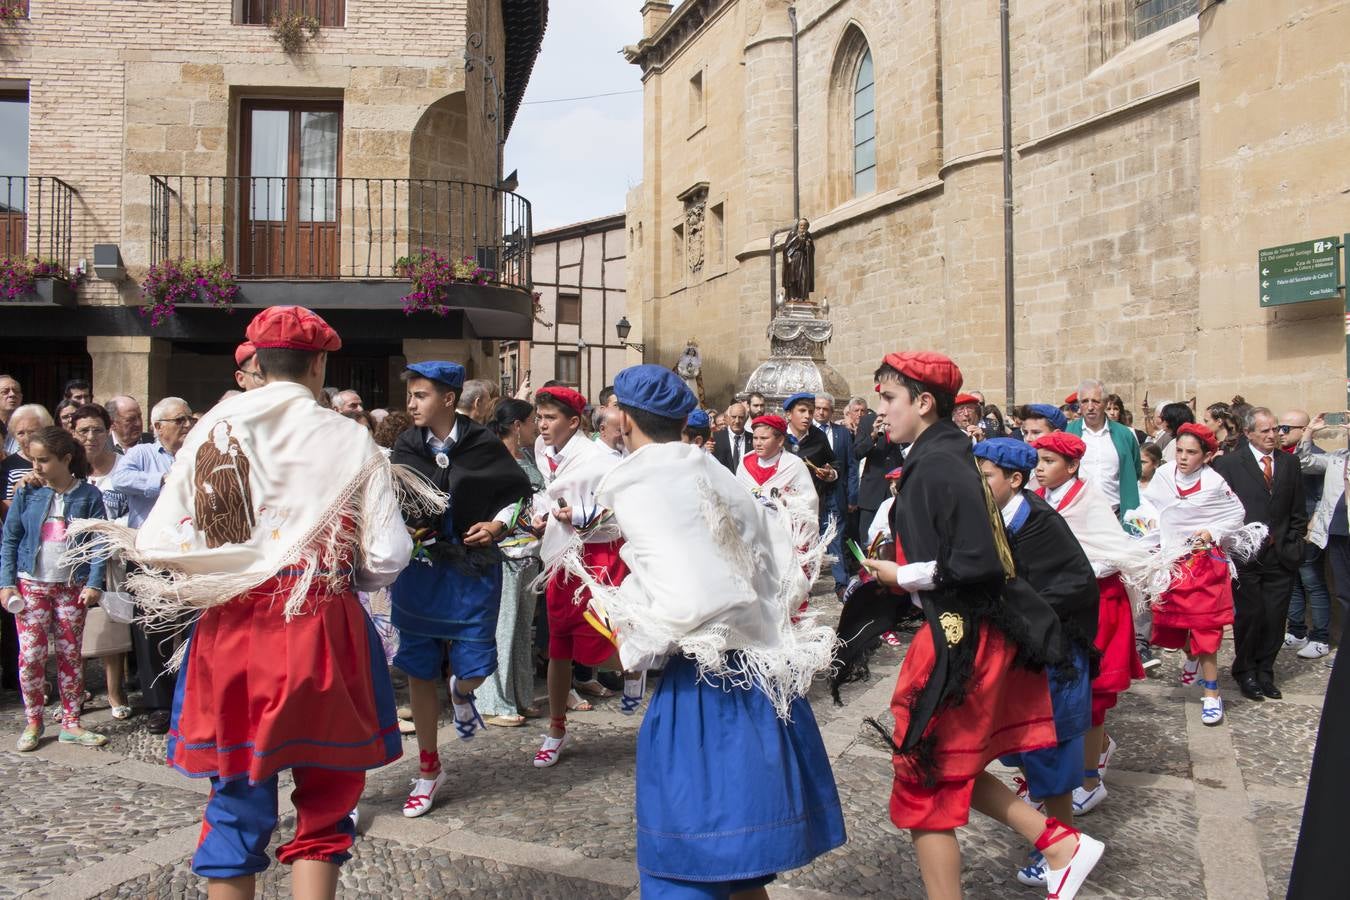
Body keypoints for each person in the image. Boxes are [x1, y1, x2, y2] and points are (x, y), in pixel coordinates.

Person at [70, 305, 411, 898]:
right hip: (319, 622)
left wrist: (231, 564)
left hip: (231, 626)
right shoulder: (346, 436)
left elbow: (159, 541)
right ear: (319, 363)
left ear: (255, 361)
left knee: (234, 796)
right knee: (327, 801)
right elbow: (385, 557)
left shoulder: (211, 429)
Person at [562, 363, 845, 898]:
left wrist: (629, 627)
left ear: (623, 417)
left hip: (702, 686)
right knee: (736, 865)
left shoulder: (642, 483)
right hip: (756, 676)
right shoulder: (714, 470)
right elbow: (776, 563)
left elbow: (682, 600)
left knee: (687, 856)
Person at [838, 352, 1103, 900]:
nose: (878, 412)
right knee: (934, 769)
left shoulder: (938, 463)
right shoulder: (941, 455)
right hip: (960, 630)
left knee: (925, 772)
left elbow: (981, 561)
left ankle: (1061, 844)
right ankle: (1058, 843)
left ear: (924, 402)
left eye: (888, 400)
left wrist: (900, 572)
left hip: (963, 638)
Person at [388, 361, 532, 817]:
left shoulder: (482, 442)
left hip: (471, 571)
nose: (411, 403)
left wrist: (495, 524)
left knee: (477, 665)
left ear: (448, 399)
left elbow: (517, 494)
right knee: (417, 668)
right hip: (422, 573)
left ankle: (464, 692)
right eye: (410, 395)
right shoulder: (405, 445)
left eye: (421, 395)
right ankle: (429, 768)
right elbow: (391, 501)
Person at [974, 437, 1100, 888]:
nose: (978, 483)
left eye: (986, 476)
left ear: (1014, 479)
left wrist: (1020, 615)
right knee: (1024, 745)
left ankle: (1062, 842)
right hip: (1021, 651)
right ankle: (1051, 830)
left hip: (1054, 652)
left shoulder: (1040, 523)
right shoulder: (991, 517)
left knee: (1051, 747)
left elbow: (1076, 584)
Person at [1030, 431, 1163, 816]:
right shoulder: (1042, 498)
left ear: (1071, 466)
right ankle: (1094, 754)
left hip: (1099, 604)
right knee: (1068, 694)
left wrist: (1071, 570)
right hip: (1064, 605)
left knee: (1091, 698)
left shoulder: (1088, 500)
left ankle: (1089, 781)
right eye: (1038, 460)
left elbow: (1110, 550)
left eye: (1049, 462)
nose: (1039, 468)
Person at [534, 384, 640, 768]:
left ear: (574, 422)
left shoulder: (600, 460)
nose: (542, 425)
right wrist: (540, 516)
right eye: (539, 417)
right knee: (558, 647)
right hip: (561, 561)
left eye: (550, 418)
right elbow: (547, 495)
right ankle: (556, 729)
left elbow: (619, 516)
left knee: (604, 640)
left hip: (596, 560)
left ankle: (636, 668)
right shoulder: (542, 451)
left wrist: (577, 516)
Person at [1141, 423, 1264, 727]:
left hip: (1204, 563)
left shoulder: (1214, 483)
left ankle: (1212, 693)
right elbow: (1152, 508)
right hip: (1172, 562)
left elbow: (1235, 514)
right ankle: (1192, 657)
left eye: (1191, 452)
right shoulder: (1164, 476)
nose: (1182, 457)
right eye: (1179, 450)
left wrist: (1212, 531)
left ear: (1207, 456)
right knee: (1173, 625)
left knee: (1206, 628)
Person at [1, 426, 108, 750]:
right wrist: (6, 583)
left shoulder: (89, 496)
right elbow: (10, 538)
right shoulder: (28, 491)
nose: (36, 466)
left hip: (70, 587)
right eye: (33, 460)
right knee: (31, 656)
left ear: (65, 458)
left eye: (43, 460)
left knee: (70, 655)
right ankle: (34, 720)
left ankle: (71, 722)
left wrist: (94, 582)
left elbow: (100, 543)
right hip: (32, 584)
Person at [107, 396, 194, 734]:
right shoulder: (140, 454)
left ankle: (189, 700)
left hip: (189, 556)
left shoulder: (196, 453)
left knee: (192, 629)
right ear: (159, 428)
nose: (188, 426)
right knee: (150, 632)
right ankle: (158, 705)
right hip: (150, 556)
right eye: (180, 420)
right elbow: (120, 480)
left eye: (189, 419)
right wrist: (161, 481)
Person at [1212, 407, 1307, 701]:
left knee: (1275, 617)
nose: (1272, 436)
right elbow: (1219, 508)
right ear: (1249, 433)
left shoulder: (1289, 463)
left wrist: (1293, 540)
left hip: (1281, 554)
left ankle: (1266, 671)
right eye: (1264, 431)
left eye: (1275, 429)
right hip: (1246, 556)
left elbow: (1298, 509)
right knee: (1250, 616)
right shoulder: (1229, 464)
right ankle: (1246, 672)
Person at [477, 399, 546, 728]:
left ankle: (521, 693)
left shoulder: (528, 456)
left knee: (522, 628)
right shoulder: (493, 458)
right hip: (504, 552)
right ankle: (494, 699)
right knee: (503, 626)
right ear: (517, 425)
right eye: (533, 420)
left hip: (530, 550)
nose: (537, 426)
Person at [73, 403, 132, 720]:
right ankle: (75, 691)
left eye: (97, 429)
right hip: (76, 560)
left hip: (114, 557)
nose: (91, 436)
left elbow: (131, 513)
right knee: (73, 625)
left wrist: (108, 532)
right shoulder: (67, 468)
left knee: (114, 623)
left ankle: (115, 691)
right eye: (84, 430)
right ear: (73, 433)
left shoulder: (123, 467)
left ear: (108, 430)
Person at [1296, 413, 1349, 660]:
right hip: (1338, 532)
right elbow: (1304, 462)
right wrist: (1309, 432)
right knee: (1343, 592)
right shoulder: (1337, 458)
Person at [1282, 409, 1331, 659]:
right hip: (1289, 530)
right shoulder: (1281, 457)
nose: (1280, 433)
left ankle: (1321, 637)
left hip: (1308, 530)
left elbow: (1322, 497)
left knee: (1312, 581)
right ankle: (1297, 630)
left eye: (1286, 428)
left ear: (1303, 430)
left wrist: (1312, 524)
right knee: (1293, 581)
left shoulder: (1317, 458)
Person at [1067, 379, 1142, 521]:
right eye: (1084, 401)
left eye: (1095, 401)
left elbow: (1135, 471)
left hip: (1116, 515)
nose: (1090, 407)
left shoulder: (1125, 434)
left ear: (1106, 403)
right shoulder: (1068, 433)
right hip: (1078, 516)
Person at [736, 415, 818, 532]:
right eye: (755, 438)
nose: (758, 443)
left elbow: (810, 501)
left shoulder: (794, 465)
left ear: (780, 441)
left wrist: (785, 502)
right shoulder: (745, 462)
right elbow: (737, 495)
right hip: (751, 532)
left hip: (782, 534)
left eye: (764, 438)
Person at [814, 394, 857, 593]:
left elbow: (851, 465)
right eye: (818, 408)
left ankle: (841, 582)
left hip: (836, 493)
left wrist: (852, 495)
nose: (821, 412)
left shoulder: (842, 433)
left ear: (832, 411)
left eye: (826, 409)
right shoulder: (808, 433)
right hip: (814, 494)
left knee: (837, 537)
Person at [853, 407, 906, 542]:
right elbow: (857, 452)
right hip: (872, 491)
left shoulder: (904, 419)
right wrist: (873, 436)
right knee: (867, 540)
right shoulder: (868, 421)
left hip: (896, 489)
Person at [2, 404, 52, 515]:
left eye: (32, 432)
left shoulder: (59, 460)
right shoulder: (7, 466)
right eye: (21, 433)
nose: (27, 438)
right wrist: (20, 489)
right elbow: (6, 512)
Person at [712, 401, 749, 474]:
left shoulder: (753, 438)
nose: (737, 421)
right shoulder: (716, 438)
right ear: (727, 418)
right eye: (734, 417)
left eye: (741, 417)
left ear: (745, 419)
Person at [0, 374, 22, 455]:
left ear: (21, 397)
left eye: (16, 391)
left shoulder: (28, 426)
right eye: (5, 392)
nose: (12, 394)